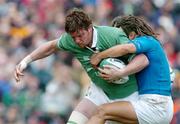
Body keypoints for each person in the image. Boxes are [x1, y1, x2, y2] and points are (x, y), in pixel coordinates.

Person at [14, 9, 148, 124]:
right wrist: (25, 62)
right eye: (73, 37)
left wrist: (120, 73)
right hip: (99, 91)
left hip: (126, 96)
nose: (77, 41)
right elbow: (50, 47)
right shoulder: (71, 40)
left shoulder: (112, 35)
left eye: (80, 35)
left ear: (90, 27)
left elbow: (142, 60)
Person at [88, 16, 174, 124]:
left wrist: (99, 56)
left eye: (118, 35)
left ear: (132, 35)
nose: (115, 39)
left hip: (155, 105)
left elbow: (125, 48)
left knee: (101, 112)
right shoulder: (144, 53)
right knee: (111, 120)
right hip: (160, 105)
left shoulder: (148, 41)